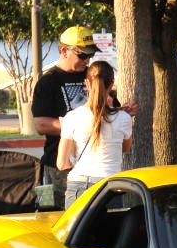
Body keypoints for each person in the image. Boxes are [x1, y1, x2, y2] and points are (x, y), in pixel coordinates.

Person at [32, 26, 99, 209]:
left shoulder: (93, 76)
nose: (87, 60)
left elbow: (108, 110)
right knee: (49, 214)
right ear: (63, 51)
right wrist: (82, 126)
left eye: (90, 55)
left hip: (91, 166)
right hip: (55, 168)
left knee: (88, 217)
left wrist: (120, 112)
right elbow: (41, 125)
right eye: (82, 55)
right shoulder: (47, 82)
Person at [56, 61, 133, 207]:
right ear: (112, 83)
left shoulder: (72, 117)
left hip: (78, 185)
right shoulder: (124, 118)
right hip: (110, 186)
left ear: (86, 83)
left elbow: (61, 163)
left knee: (76, 223)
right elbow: (124, 148)